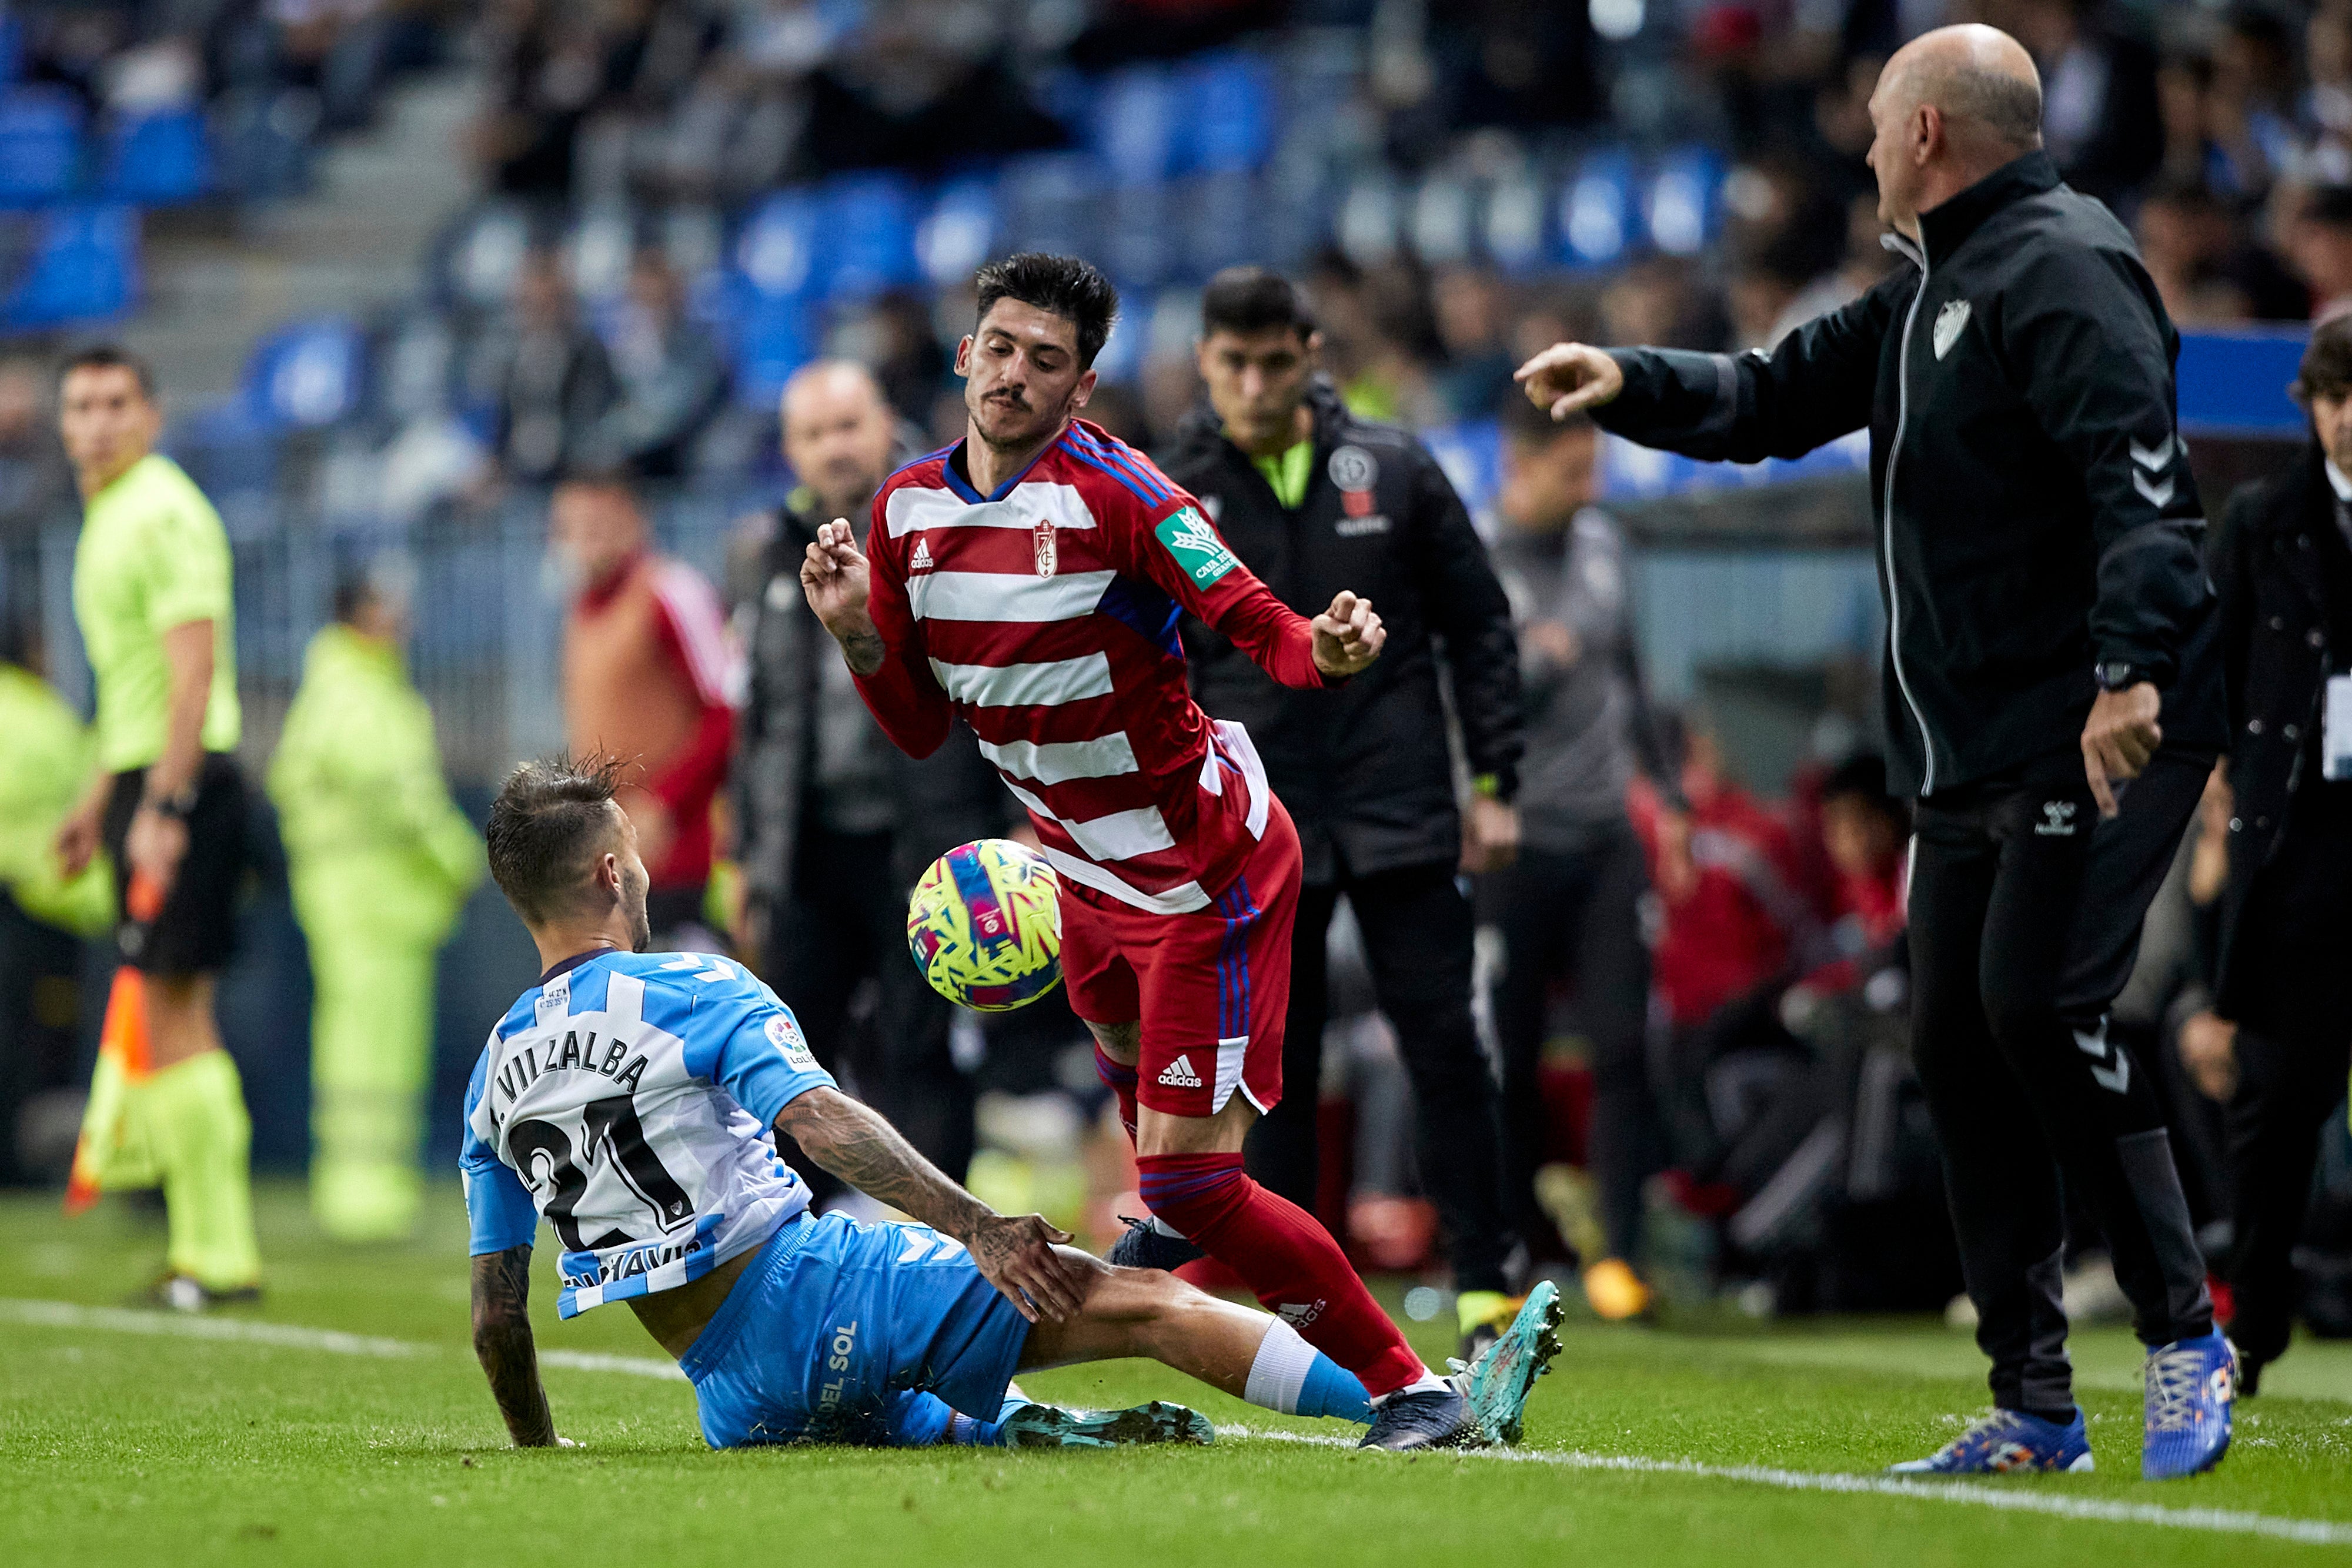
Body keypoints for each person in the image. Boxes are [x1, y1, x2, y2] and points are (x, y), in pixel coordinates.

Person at [1515, 25, 2234, 1480]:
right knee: (1953, 1043)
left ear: (1923, 134)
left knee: (2038, 1008)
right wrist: (1630, 379)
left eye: (1870, 122)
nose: (1854, 147)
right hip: (1964, 752)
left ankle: (2184, 1331)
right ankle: (2032, 1404)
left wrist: (2128, 671)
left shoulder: (2064, 266)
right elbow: (1771, 399)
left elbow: (2142, 485)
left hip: (2090, 724)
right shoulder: (1924, 288)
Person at [800, 252, 1557, 1449]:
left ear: (1081, 387)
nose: (1013, 374)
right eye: (999, 347)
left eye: (1045, 360)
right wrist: (854, 633)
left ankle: (1411, 1389)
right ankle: (1181, 1229)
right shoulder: (905, 513)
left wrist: (1326, 650)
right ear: (964, 353)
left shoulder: (1127, 495)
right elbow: (917, 725)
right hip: (1076, 876)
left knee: (1193, 1181)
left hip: (1204, 873)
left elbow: (1253, 617)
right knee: (1151, 1133)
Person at [460, 754, 1562, 1452]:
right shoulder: (693, 989)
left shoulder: (493, 1072)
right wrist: (979, 1225)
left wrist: (538, 1447)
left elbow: (497, 1317)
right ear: (610, 874)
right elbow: (824, 1124)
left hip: (727, 1391)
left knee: (902, 1395)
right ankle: (1422, 1403)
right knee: (1140, 1300)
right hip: (808, 1290)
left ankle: (1041, 1431)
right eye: (635, 854)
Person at [1156, 266, 1524, 1359]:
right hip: (1258, 823)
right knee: (1281, 1069)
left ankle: (1487, 1288)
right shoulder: (1167, 491)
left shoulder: (1397, 467)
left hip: (1401, 804)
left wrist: (1495, 784)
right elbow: (1148, 662)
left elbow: (1480, 624)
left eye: (1274, 362)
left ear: (1311, 355)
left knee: (1446, 1043)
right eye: (1234, 364)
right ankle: (1309, 1303)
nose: (1254, 385)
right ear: (1205, 360)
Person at [734, 359, 1004, 1188]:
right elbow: (760, 717)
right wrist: (751, 856)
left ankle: (951, 1244)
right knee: (789, 1059)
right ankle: (797, 1243)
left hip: (926, 839)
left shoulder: (948, 525)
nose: (835, 448)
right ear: (790, 450)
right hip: (810, 849)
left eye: (848, 426)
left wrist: (1008, 820)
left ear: (887, 423)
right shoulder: (767, 552)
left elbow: (999, 684)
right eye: (814, 434)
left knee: (925, 1048)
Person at [49, 345, 263, 1310]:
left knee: (177, 1011)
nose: (96, 422)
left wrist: (166, 808)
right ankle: (202, 1247)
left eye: (115, 403)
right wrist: (99, 801)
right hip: (148, 778)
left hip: (187, 781)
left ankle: (218, 1255)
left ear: (152, 415)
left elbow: (192, 674)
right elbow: (132, 688)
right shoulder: (111, 515)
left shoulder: (164, 512)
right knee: (168, 1010)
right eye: (80, 406)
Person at [1484, 395, 1682, 1321]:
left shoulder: (1606, 545)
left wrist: (1670, 799)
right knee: (1509, 1056)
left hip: (1608, 836)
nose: (1589, 486)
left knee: (1624, 1045)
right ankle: (1517, 1242)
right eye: (1572, 470)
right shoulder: (1479, 558)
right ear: (1518, 463)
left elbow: (1632, 677)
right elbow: (1470, 694)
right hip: (1515, 840)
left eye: (1594, 465)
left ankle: (1622, 1256)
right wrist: (1537, 661)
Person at [2204, 314, 2352, 1396]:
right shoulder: (2261, 522)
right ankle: (2253, 1320)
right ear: (2310, 406)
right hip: (2301, 845)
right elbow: (2211, 677)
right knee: (2279, 1097)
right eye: (2334, 398)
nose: (2347, 418)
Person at [268, 566, 485, 1242]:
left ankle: (358, 1183)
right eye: (389, 605)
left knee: (359, 1044)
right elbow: (402, 797)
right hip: (375, 901)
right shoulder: (360, 694)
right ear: (361, 613)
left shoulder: (333, 688)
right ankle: (365, 1191)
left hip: (354, 900)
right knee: (376, 1048)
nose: (402, 620)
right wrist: (460, 857)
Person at [552, 471, 736, 950]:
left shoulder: (671, 591)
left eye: (597, 524)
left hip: (684, 858)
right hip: (612, 858)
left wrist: (666, 805)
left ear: (633, 520)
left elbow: (728, 712)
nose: (582, 540)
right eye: (569, 527)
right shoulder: (580, 609)